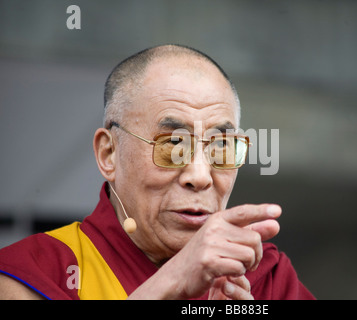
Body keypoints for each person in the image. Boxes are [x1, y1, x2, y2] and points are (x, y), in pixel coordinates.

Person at [0, 44, 314, 300]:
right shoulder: (39, 271)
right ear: (109, 153)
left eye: (221, 147)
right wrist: (170, 283)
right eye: (174, 145)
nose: (201, 176)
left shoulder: (262, 278)